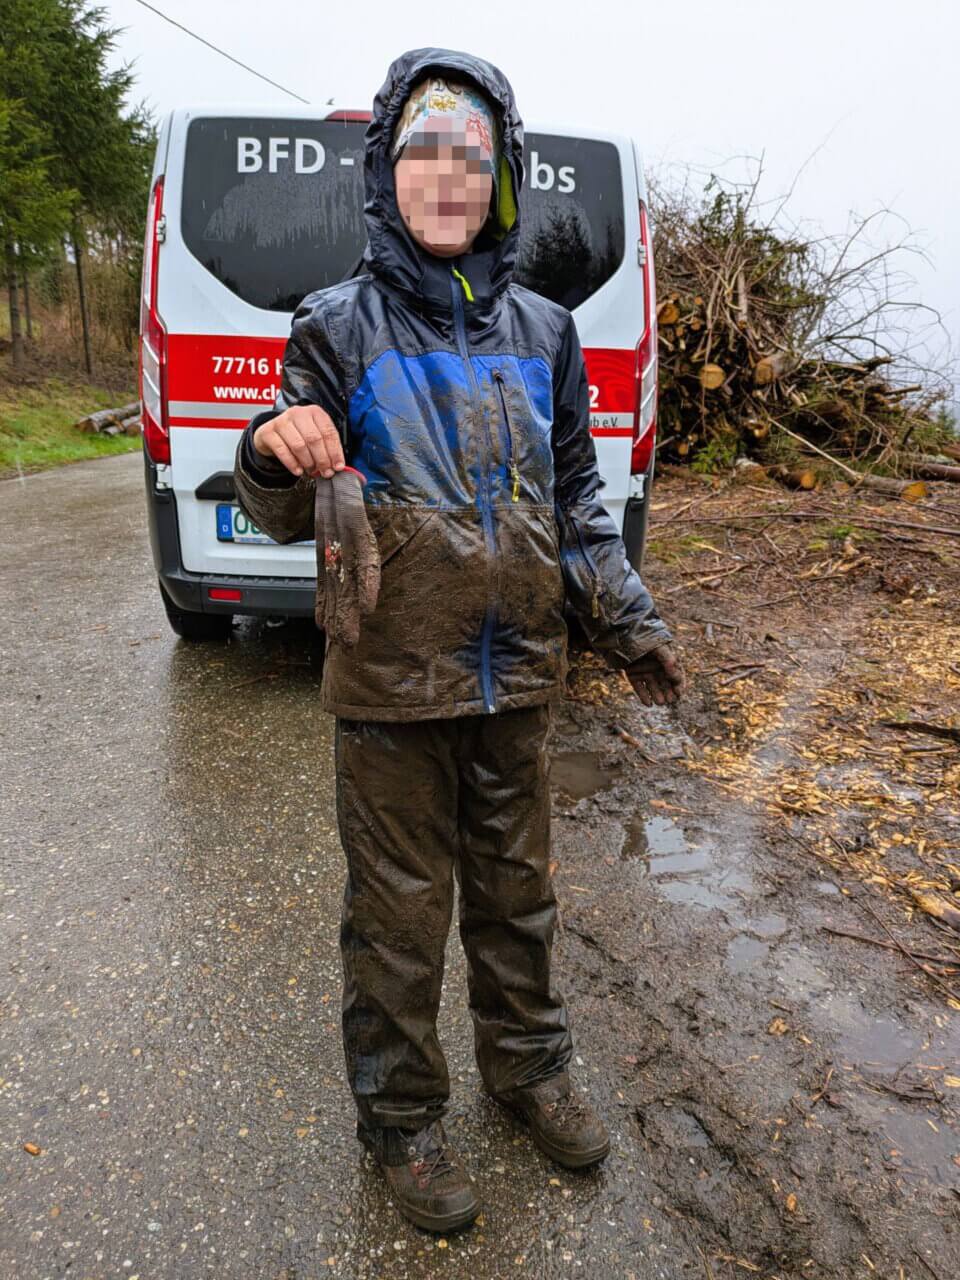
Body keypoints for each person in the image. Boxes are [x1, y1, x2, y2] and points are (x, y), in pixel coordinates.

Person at [233, 47, 685, 1234]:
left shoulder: (546, 329)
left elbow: (581, 496)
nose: (447, 173)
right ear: (388, 173)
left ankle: (529, 1073)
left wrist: (628, 620)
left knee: (518, 896)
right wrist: (271, 448)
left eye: (471, 155)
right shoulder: (334, 321)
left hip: (520, 672)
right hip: (391, 681)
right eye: (424, 151)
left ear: (503, 180)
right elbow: (294, 497)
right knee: (396, 916)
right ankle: (402, 1120)